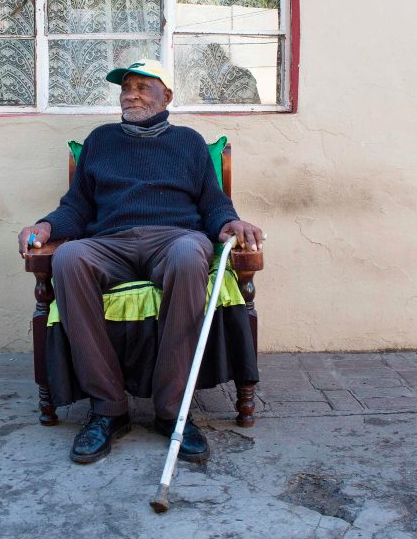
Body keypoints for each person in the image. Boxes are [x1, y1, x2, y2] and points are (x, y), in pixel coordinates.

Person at [17, 59, 263, 465]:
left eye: (143, 87)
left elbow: (214, 205)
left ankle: (172, 411)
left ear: (166, 96)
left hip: (174, 238)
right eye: (126, 87)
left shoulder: (189, 143)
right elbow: (75, 208)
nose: (131, 94)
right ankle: (108, 409)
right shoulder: (100, 141)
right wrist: (45, 226)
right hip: (109, 241)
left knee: (189, 254)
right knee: (70, 256)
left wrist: (230, 222)